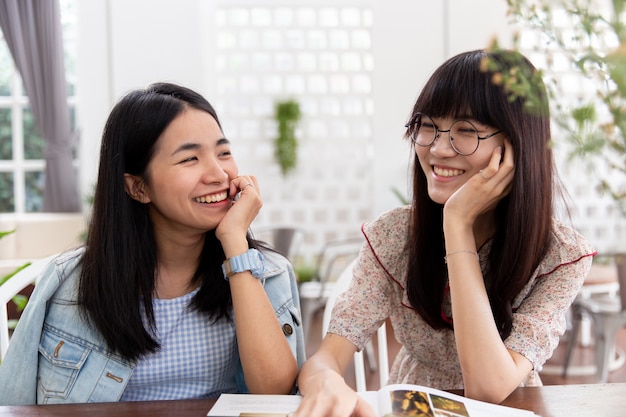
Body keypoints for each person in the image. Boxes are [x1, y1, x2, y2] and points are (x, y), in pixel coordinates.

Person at [294, 49, 596, 416]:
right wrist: (324, 378)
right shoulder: (393, 236)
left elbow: (487, 388)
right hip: (412, 408)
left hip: (509, 407)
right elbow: (326, 358)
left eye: (466, 131)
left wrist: (457, 225)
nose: (437, 149)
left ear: (518, 146)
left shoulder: (560, 255)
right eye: (428, 126)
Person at [0, 82, 304, 405]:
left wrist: (235, 244)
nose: (218, 174)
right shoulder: (69, 286)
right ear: (138, 187)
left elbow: (275, 397)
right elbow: (15, 405)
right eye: (190, 159)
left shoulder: (268, 274)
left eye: (224, 153)